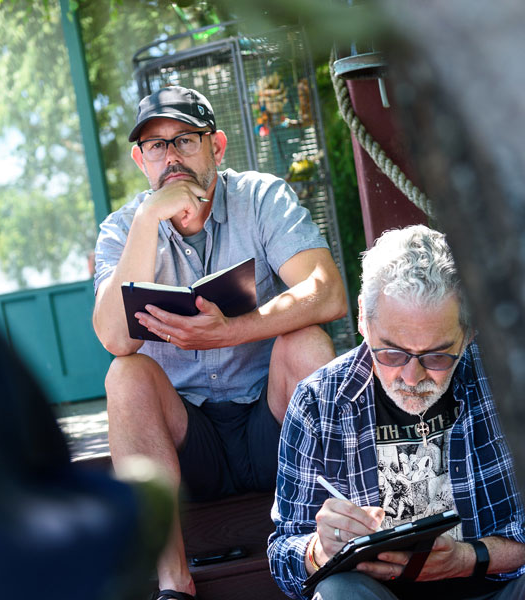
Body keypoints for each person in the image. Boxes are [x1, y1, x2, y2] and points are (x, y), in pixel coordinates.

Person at [92, 85, 347, 600]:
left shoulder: (261, 197)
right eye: (157, 147)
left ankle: (338, 546)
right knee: (126, 374)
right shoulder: (122, 229)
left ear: (218, 146)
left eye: (184, 140)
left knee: (307, 340)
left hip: (272, 423)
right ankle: (173, 584)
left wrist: (233, 329)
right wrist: (148, 221)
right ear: (140, 161)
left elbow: (328, 292)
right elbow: (115, 338)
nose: (171, 159)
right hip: (189, 442)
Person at [268, 225, 525, 600]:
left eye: (437, 355)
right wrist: (318, 550)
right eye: (391, 353)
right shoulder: (318, 403)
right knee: (338, 592)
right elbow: (282, 555)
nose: (412, 375)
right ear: (362, 320)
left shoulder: (506, 378)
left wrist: (470, 558)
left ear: (469, 333)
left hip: (498, 587)